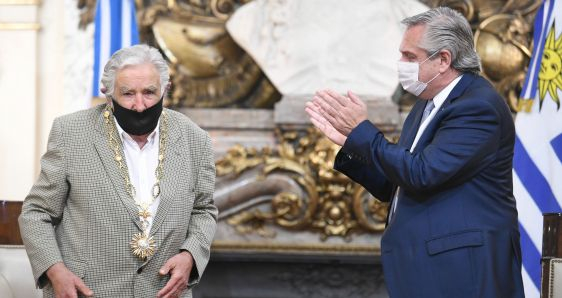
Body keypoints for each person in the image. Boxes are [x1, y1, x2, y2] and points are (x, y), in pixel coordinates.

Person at [305, 7, 524, 298]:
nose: (401, 64)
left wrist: (363, 131)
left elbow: (423, 173)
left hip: (463, 272)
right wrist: (350, 141)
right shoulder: (427, 103)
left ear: (444, 59)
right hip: (432, 269)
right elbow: (396, 183)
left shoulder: (477, 107)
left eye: (410, 57)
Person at [19, 44, 217, 298]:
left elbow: (204, 210)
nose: (139, 105)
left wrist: (191, 255)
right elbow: (37, 213)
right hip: (85, 292)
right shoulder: (70, 133)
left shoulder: (195, 139)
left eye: (149, 92)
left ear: (165, 89)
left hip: (164, 292)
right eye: (127, 94)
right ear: (107, 93)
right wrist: (55, 272)